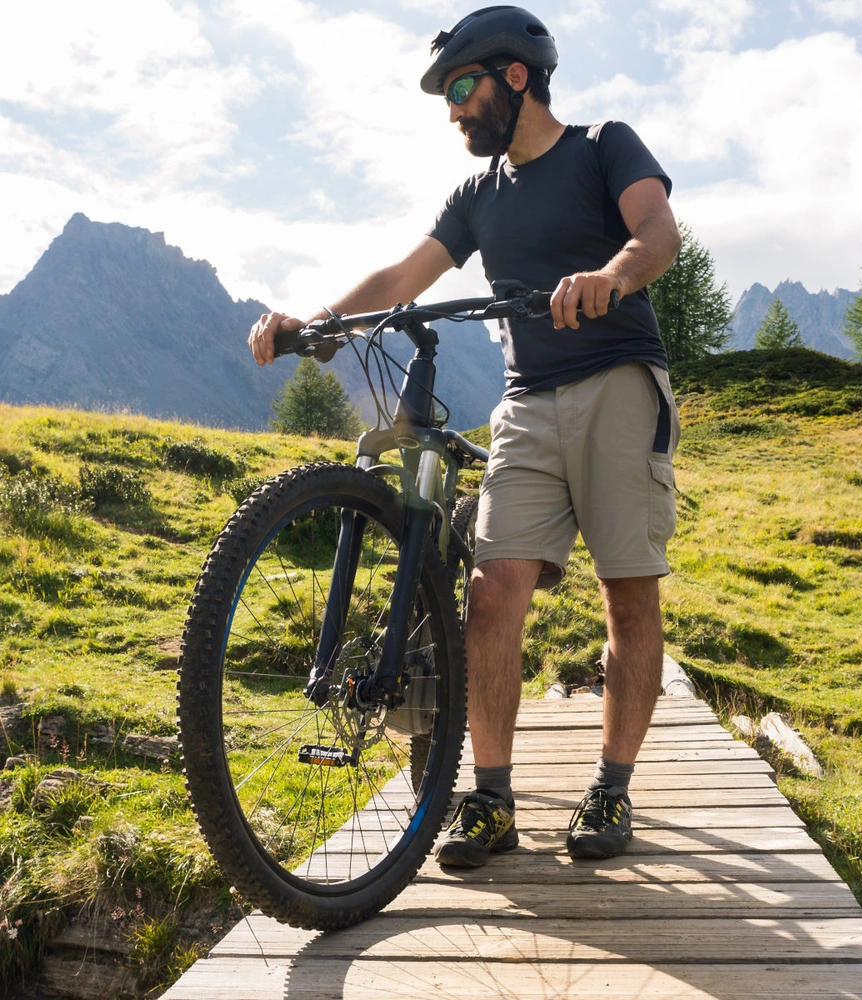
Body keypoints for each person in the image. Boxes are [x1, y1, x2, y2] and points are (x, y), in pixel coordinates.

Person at [248, 5, 682, 866]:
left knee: (627, 595)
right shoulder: (478, 197)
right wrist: (322, 321)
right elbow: (404, 275)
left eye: (461, 88)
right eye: (447, 96)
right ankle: (490, 799)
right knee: (491, 594)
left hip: (618, 383)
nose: (452, 111)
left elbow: (658, 233)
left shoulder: (603, 144)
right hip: (526, 402)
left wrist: (610, 276)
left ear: (515, 77)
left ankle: (613, 786)